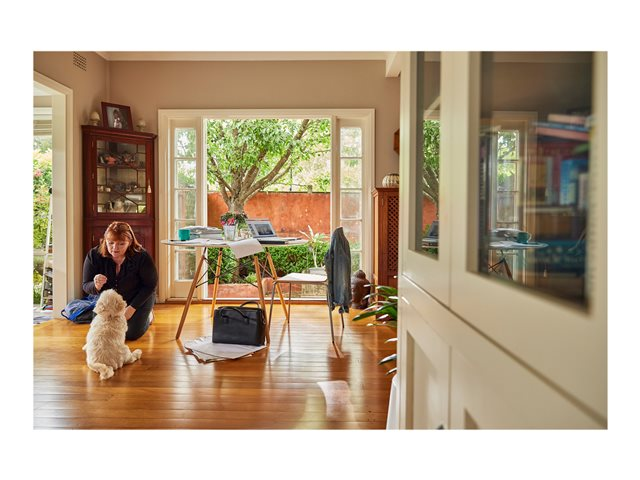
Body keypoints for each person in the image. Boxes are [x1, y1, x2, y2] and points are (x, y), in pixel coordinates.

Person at [82, 221, 158, 340]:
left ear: (130, 242)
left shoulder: (142, 256)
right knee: (102, 330)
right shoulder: (94, 255)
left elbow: (150, 285)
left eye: (121, 244)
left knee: (130, 334)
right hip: (110, 301)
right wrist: (95, 285)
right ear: (105, 240)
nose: (115, 248)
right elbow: (86, 285)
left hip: (138, 297)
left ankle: (149, 315)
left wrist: (131, 308)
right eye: (111, 243)